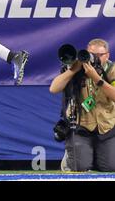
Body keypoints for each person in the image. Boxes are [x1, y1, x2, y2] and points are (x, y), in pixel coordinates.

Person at [50, 38, 115, 172]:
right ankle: (73, 158)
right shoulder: (77, 67)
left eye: (99, 55)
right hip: (81, 126)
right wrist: (73, 70)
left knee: (110, 167)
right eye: (92, 54)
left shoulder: (112, 70)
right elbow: (54, 88)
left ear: (107, 55)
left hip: (106, 126)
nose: (95, 58)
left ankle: (95, 156)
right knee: (79, 167)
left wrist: (97, 78)